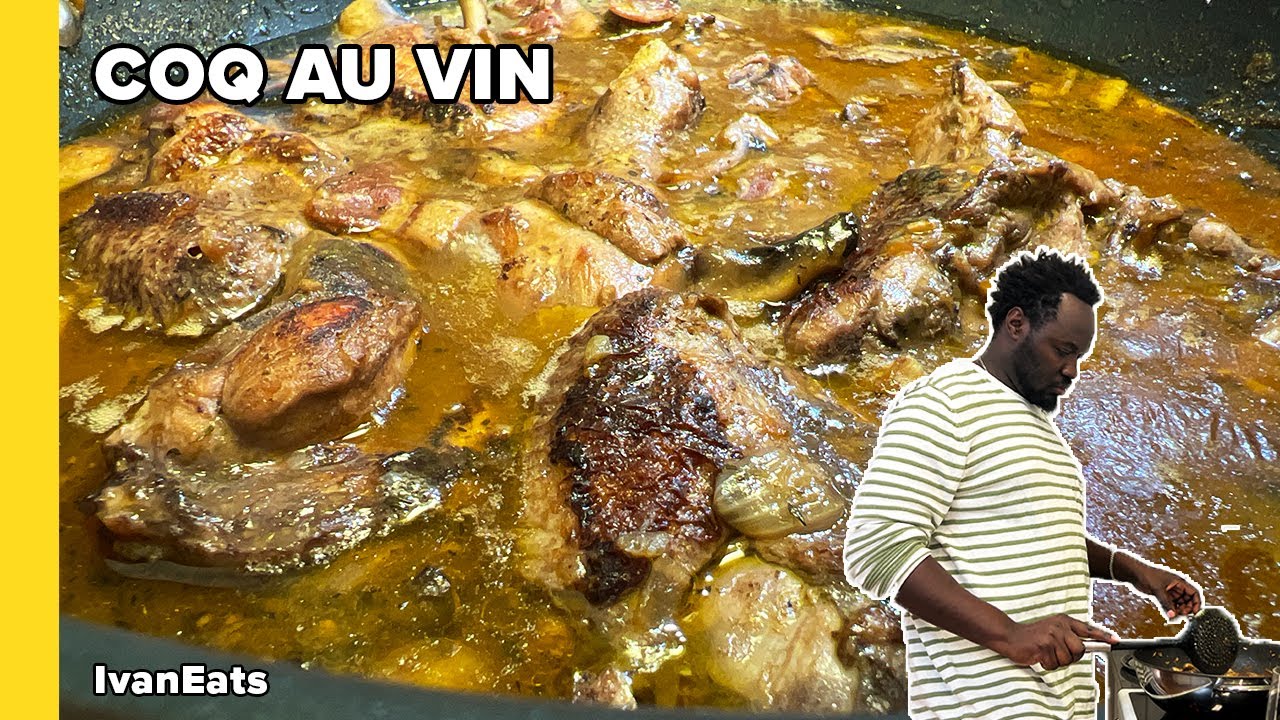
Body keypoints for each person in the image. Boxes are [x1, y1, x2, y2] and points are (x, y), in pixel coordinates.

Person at [843, 247, 1202, 720]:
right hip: (984, 709)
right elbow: (876, 547)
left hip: (1062, 707)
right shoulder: (945, 402)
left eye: (1080, 356)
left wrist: (1133, 570)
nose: (1072, 371)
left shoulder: (1036, 428)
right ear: (1016, 324)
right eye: (1063, 350)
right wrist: (1010, 635)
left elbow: (1035, 532)